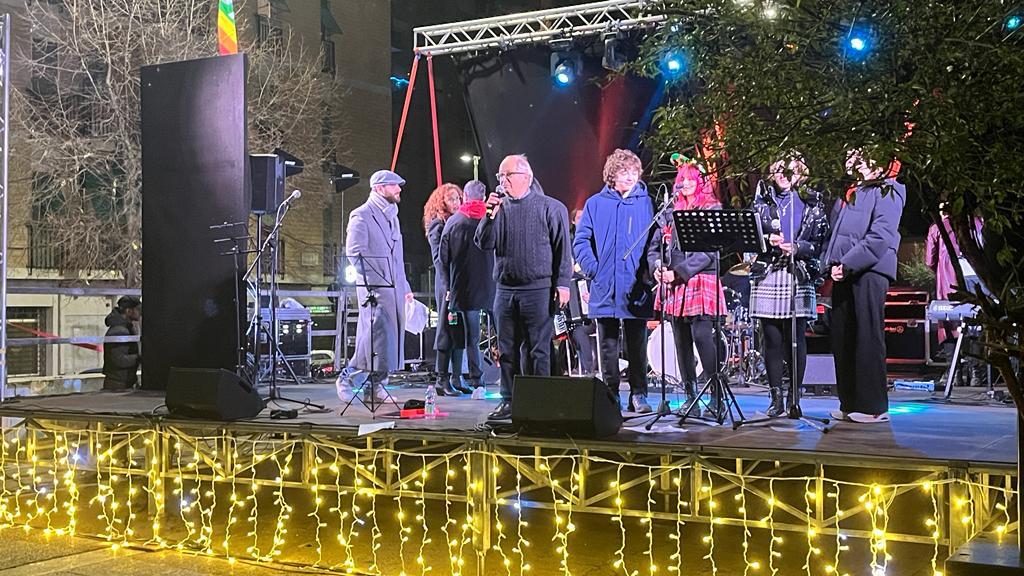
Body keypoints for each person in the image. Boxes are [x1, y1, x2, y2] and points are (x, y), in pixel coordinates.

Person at [475, 154, 572, 420]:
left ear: (526, 177)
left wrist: (563, 284)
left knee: (538, 349)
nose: (503, 181)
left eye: (508, 175)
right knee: (507, 350)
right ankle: (508, 400)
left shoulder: (551, 208)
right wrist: (489, 216)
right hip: (505, 290)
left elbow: (563, 250)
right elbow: (483, 243)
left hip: (538, 289)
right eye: (500, 176)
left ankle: (540, 402)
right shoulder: (499, 209)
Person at [822, 149, 906, 424]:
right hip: (843, 272)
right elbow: (835, 235)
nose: (854, 162)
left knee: (867, 336)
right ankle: (849, 403)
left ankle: (873, 407)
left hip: (870, 271)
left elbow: (880, 235)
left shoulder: (889, 190)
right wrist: (831, 265)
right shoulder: (853, 191)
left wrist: (847, 264)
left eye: (860, 157)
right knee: (843, 336)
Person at [573, 149, 655, 412]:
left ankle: (639, 394)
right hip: (604, 284)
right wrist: (593, 269)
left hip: (636, 286)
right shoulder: (595, 203)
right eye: (623, 172)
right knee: (607, 344)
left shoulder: (647, 202)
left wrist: (649, 273)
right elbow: (581, 240)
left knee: (637, 343)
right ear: (612, 174)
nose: (630, 177)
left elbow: (655, 241)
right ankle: (611, 396)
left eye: (634, 172)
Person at [647, 156, 727, 416]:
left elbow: (709, 252)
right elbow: (653, 247)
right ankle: (691, 397)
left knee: (702, 336)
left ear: (701, 182)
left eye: (692, 179)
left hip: (698, 278)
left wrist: (678, 273)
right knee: (680, 340)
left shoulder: (711, 209)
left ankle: (716, 396)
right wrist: (657, 267)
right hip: (673, 282)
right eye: (682, 179)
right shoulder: (670, 212)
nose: (687, 183)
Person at [749, 155, 829, 417]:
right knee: (771, 338)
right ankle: (776, 399)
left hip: (798, 272)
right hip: (768, 272)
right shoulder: (761, 202)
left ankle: (795, 398)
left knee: (796, 338)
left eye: (790, 170)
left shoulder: (812, 202)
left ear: (800, 173)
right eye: (779, 170)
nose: (784, 175)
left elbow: (820, 243)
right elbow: (749, 237)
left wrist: (797, 247)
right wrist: (766, 239)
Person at [337, 169, 414, 402]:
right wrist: (376, 281)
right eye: (394, 185)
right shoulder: (361, 215)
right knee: (373, 338)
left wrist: (405, 286)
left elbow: (397, 257)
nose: (398, 189)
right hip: (375, 291)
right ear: (380, 188)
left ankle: (376, 386)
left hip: (394, 289)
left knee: (388, 342)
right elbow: (355, 253)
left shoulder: (392, 216)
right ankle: (347, 377)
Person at [439, 180, 496, 394]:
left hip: (465, 288)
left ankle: (477, 382)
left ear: (465, 197)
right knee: (504, 334)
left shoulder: (453, 223)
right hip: (493, 286)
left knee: (471, 337)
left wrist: (449, 285)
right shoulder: (492, 219)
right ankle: (513, 379)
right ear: (484, 197)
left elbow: (443, 258)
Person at [425, 183, 469, 396]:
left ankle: (456, 377)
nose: (456, 203)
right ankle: (442, 378)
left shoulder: (458, 222)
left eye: (458, 198)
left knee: (459, 330)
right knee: (446, 329)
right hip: (447, 285)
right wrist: (448, 286)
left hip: (459, 283)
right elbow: (439, 259)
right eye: (451, 199)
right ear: (441, 202)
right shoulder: (438, 224)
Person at [568, 208, 597, 375]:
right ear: (573, 221)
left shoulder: (595, 243)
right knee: (575, 331)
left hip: (597, 312)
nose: (582, 220)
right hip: (578, 316)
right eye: (578, 218)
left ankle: (591, 370)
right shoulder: (569, 244)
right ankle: (582, 368)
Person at [102, 296, 141, 390]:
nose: (139, 313)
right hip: (118, 385)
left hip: (123, 382)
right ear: (128, 311)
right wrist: (140, 357)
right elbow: (118, 360)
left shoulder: (126, 328)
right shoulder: (119, 331)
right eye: (137, 309)